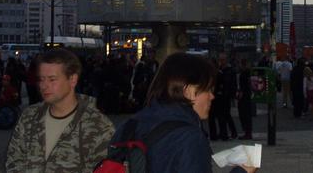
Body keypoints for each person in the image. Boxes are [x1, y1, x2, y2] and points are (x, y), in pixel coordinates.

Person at [110, 52, 257, 173]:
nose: (212, 96)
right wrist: (243, 171)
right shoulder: (189, 138)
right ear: (189, 91)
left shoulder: (129, 126)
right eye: (208, 89)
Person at [6, 48, 114, 173]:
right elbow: (14, 161)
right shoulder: (30, 116)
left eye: (52, 79)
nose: (43, 86)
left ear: (72, 79)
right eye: (41, 79)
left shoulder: (99, 125)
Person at [216, 53, 238, 140]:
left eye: (223, 60)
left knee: (226, 115)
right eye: (220, 60)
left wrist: (232, 94)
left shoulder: (229, 70)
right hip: (221, 95)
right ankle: (224, 132)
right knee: (222, 115)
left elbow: (231, 83)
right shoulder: (221, 70)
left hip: (226, 95)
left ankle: (231, 132)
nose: (221, 62)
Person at [236, 58, 252, 140]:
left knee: (244, 114)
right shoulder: (248, 73)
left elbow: (243, 86)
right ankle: (247, 132)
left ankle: (247, 132)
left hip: (244, 96)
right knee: (246, 115)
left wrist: (240, 94)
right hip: (247, 96)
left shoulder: (244, 74)